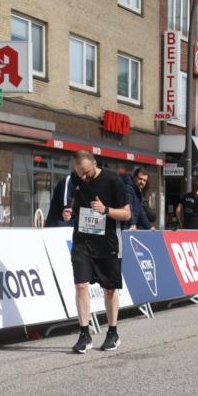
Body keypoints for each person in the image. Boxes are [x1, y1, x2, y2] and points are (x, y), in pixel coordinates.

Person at [66, 151, 130, 354]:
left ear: (94, 163)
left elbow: (127, 214)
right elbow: (75, 204)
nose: (83, 177)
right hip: (82, 241)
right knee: (81, 286)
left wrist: (106, 210)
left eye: (86, 172)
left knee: (109, 289)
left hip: (107, 241)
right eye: (80, 173)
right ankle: (84, 334)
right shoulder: (74, 179)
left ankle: (113, 332)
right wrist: (68, 212)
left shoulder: (113, 181)